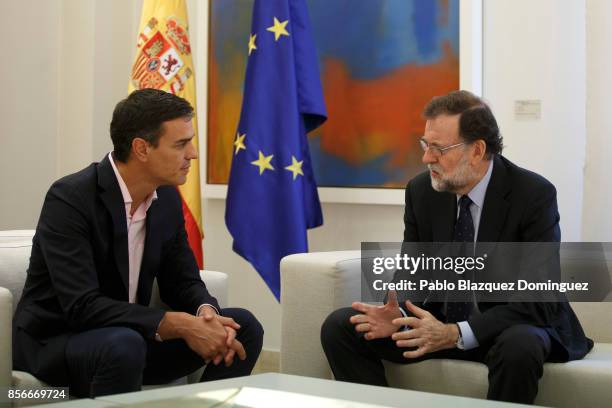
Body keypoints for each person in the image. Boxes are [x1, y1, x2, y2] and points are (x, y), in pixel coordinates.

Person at [320, 90, 593, 404]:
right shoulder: (422, 191)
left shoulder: (532, 195)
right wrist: (396, 310)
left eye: (438, 148)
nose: (426, 158)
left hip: (504, 327)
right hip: (438, 323)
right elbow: (413, 270)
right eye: (425, 145)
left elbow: (535, 301)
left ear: (477, 150)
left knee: (521, 344)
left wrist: (456, 333)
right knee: (341, 326)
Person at [12, 89, 263, 397]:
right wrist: (177, 324)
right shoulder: (70, 198)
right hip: (59, 341)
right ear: (142, 149)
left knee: (241, 328)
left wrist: (204, 313)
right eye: (181, 144)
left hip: (129, 338)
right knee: (123, 345)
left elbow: (182, 282)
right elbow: (81, 306)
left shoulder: (167, 198)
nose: (193, 153)